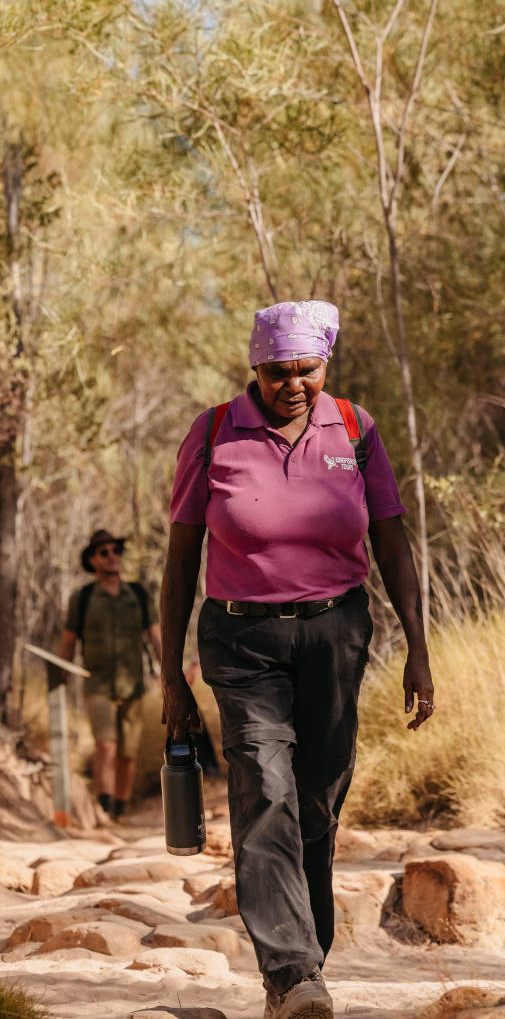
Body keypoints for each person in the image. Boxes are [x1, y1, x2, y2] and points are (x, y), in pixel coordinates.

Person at [161, 300, 434, 1019]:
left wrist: (418, 646)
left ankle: (307, 954)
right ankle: (289, 972)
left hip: (335, 634)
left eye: (306, 370)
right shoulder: (216, 431)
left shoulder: (353, 427)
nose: (292, 385)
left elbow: (392, 540)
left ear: (324, 364)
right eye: (277, 371)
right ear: (255, 368)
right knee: (265, 788)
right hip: (240, 639)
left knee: (317, 796)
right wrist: (171, 678)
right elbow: (181, 558)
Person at [60, 527, 162, 821]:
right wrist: (60, 684)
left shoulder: (139, 594)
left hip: (133, 684)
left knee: (127, 752)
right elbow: (68, 641)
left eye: (116, 550)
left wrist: (169, 670)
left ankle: (120, 810)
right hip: (98, 683)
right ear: (92, 560)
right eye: (104, 552)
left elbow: (155, 636)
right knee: (106, 744)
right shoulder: (83, 597)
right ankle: (102, 808)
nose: (112, 556)